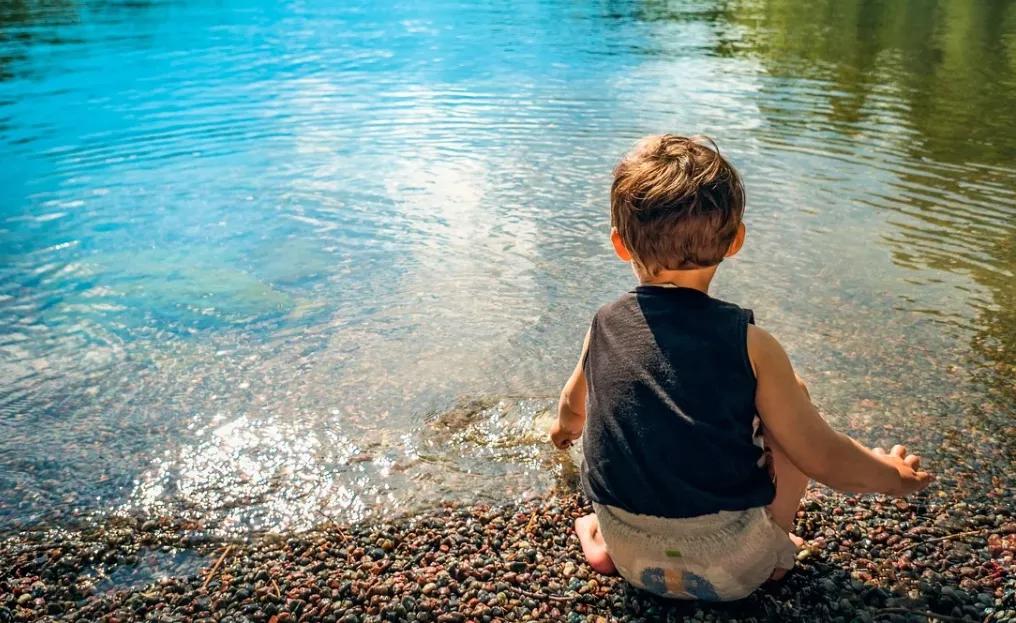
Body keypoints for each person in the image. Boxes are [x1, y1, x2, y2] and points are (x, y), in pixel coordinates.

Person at [549, 134, 934, 601]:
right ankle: (776, 549)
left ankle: (600, 540)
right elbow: (824, 458)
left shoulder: (603, 325)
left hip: (630, 554)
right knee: (792, 396)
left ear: (619, 245)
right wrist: (894, 476)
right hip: (733, 568)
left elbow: (573, 408)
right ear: (736, 241)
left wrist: (561, 435)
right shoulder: (752, 345)